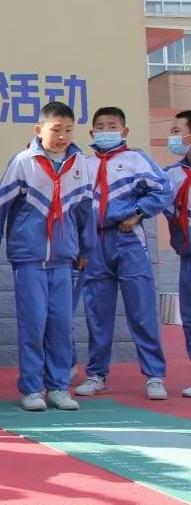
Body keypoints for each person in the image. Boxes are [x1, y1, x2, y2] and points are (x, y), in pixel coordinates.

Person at [0, 102, 93, 412]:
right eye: (56, 129)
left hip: (63, 258)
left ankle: (58, 387)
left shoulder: (80, 164)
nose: (62, 136)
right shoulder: (23, 162)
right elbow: (0, 204)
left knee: (61, 325)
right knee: (33, 325)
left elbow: (85, 211)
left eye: (68, 130)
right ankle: (31, 389)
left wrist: (86, 248)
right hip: (29, 258)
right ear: (39, 130)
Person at [75, 106, 170, 400]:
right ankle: (96, 374)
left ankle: (154, 376)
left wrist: (138, 212)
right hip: (95, 244)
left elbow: (162, 190)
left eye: (112, 126)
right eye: (100, 127)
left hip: (128, 240)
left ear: (124, 131)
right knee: (97, 313)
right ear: (92, 132)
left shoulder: (136, 159)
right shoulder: (84, 164)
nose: (106, 131)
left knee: (141, 310)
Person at [161, 109, 191, 399]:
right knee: (190, 317)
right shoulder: (171, 174)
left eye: (176, 131)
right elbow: (158, 201)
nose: (172, 137)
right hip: (188, 254)